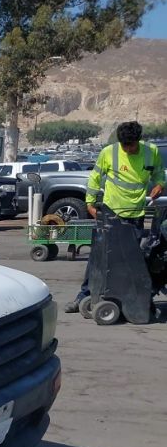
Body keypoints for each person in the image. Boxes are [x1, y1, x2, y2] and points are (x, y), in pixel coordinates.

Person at [63, 121, 165, 313]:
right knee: (100, 257)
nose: (128, 149)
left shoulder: (151, 152)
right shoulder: (109, 152)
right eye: (125, 145)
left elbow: (159, 173)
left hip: (136, 215)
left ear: (138, 141)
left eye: (131, 145)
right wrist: (90, 203)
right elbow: (95, 177)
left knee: (130, 259)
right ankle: (84, 295)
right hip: (111, 214)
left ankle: (128, 299)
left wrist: (160, 184)